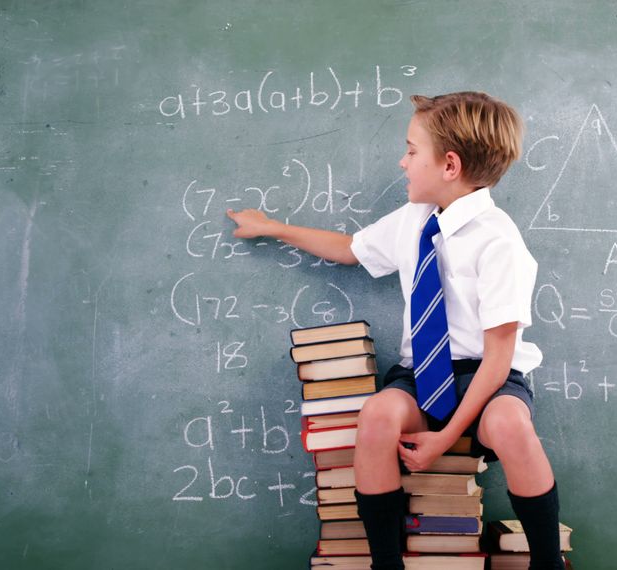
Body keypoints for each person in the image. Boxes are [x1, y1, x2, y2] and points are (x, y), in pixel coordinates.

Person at [227, 91, 562, 570]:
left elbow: (498, 358)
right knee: (378, 415)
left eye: (410, 150)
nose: (401, 162)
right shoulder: (416, 220)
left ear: (449, 165)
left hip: (487, 379)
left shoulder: (499, 240)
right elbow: (349, 249)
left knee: (511, 423)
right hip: (421, 375)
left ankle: (546, 563)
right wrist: (274, 227)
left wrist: (444, 441)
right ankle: (387, 563)